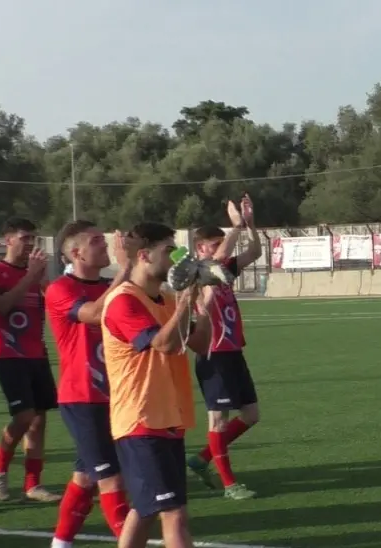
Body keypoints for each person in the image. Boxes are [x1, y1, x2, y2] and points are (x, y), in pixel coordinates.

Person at [102, 222, 212, 548]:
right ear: (144, 255)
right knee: (174, 514)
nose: (176, 259)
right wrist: (185, 301)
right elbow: (163, 345)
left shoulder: (164, 298)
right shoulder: (124, 301)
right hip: (141, 419)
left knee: (145, 510)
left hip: (166, 416)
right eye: (169, 251)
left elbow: (200, 343)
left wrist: (206, 296)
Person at [46, 221, 132, 548]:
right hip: (82, 398)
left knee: (84, 478)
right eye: (97, 240)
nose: (105, 243)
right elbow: (95, 313)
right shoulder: (61, 289)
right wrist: (125, 270)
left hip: (114, 397)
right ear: (76, 252)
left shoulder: (112, 283)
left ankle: (61, 544)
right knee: (111, 480)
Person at [184, 195, 261, 501]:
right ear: (201, 249)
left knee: (252, 415)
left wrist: (250, 226)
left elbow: (254, 251)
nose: (220, 249)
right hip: (212, 355)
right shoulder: (196, 271)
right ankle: (230, 484)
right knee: (219, 420)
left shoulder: (222, 270)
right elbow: (218, 261)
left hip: (233, 352)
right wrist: (236, 227)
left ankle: (202, 458)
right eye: (213, 244)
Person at [0, 218, 62, 502]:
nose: (30, 243)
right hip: (8, 353)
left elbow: (55, 304)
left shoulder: (35, 272)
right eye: (25, 238)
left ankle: (32, 485)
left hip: (37, 353)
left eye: (33, 239)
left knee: (39, 421)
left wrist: (44, 280)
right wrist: (30, 277)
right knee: (24, 416)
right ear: (7, 240)